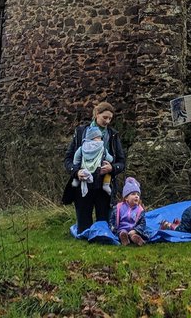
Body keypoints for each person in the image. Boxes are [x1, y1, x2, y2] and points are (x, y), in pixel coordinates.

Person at [61, 100, 126, 232]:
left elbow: (121, 162)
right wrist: (76, 172)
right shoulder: (80, 132)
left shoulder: (113, 135)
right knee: (83, 228)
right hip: (83, 183)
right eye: (105, 117)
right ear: (96, 114)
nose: (107, 121)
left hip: (104, 185)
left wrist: (112, 168)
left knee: (104, 226)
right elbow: (68, 159)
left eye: (110, 119)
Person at [110, 176, 148, 245]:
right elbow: (112, 219)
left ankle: (136, 238)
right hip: (121, 228)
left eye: (138, 194)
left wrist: (136, 230)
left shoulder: (140, 210)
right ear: (126, 198)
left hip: (133, 229)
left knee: (133, 234)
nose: (136, 196)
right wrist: (113, 228)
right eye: (133, 194)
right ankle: (124, 239)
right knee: (122, 232)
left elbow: (142, 223)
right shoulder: (118, 208)